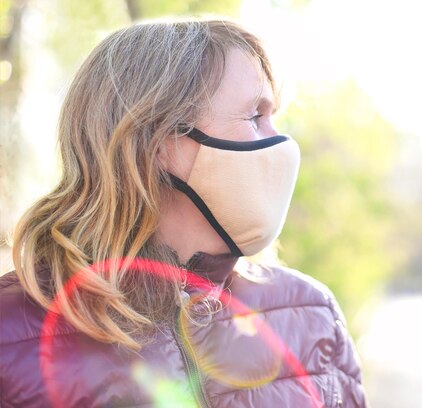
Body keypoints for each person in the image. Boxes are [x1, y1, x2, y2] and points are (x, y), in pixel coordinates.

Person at [0, 19, 367, 407]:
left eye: (274, 116)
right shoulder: (11, 333)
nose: (281, 142)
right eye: (255, 117)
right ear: (158, 141)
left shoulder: (310, 314)